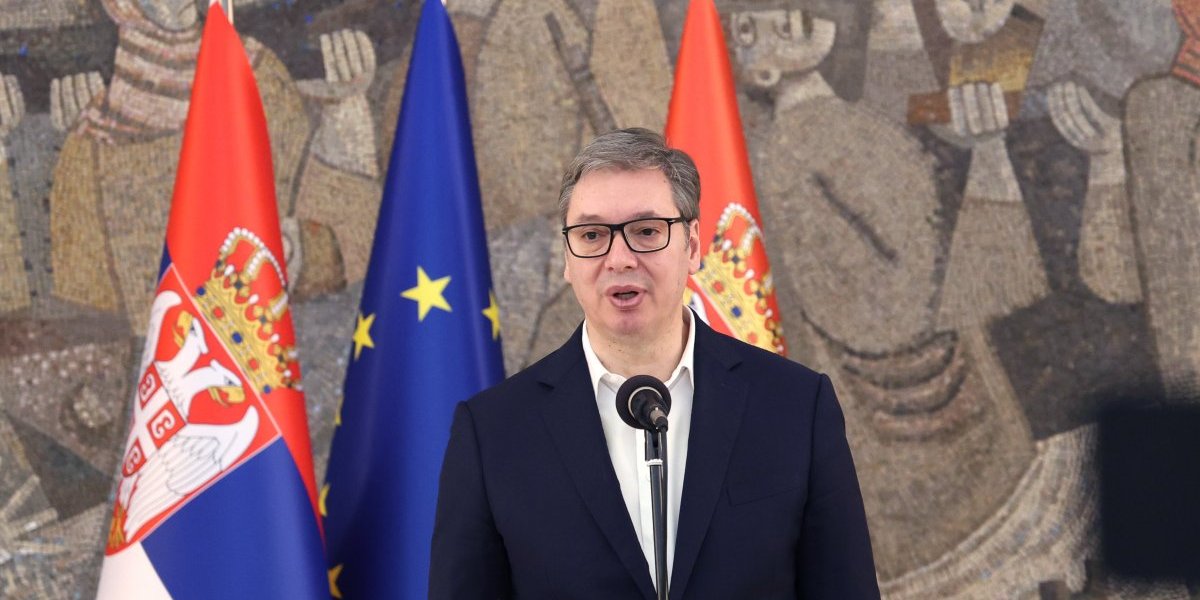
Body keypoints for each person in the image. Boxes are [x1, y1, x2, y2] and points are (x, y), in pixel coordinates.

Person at [429, 128, 879, 599]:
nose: (619, 259)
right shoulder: (493, 431)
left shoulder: (795, 407)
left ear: (692, 246)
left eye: (646, 231)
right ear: (567, 258)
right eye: (591, 235)